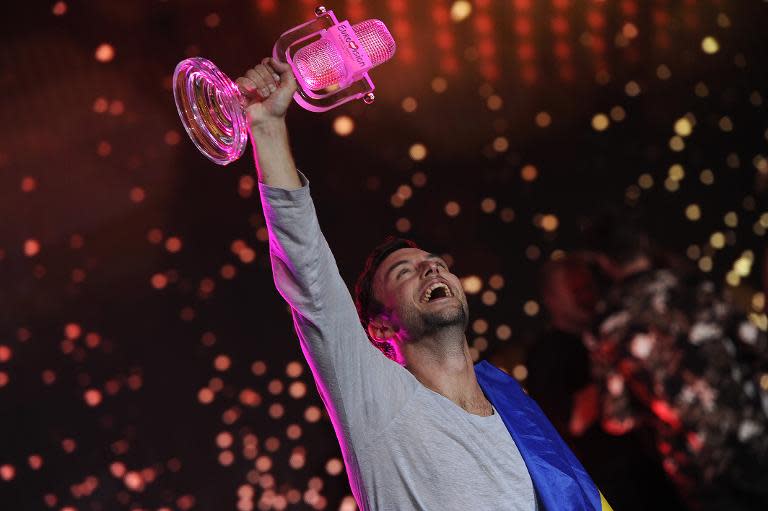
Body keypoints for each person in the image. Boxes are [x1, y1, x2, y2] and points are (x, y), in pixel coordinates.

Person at [237, 58, 611, 511]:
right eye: (404, 272)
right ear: (378, 327)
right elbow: (309, 273)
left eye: (435, 264)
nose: (431, 270)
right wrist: (268, 125)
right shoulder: (377, 400)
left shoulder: (514, 404)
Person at [584, 215, 768, 511]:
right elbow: (759, 346)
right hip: (754, 439)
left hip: (698, 468)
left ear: (604, 262)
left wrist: (660, 408)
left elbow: (615, 418)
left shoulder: (606, 327)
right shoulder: (695, 287)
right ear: (644, 244)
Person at [530, 255, 690, 511]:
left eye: (588, 287)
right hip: (617, 488)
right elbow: (573, 419)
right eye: (577, 291)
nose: (588, 296)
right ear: (552, 300)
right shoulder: (547, 354)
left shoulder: (610, 328)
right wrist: (617, 362)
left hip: (660, 471)